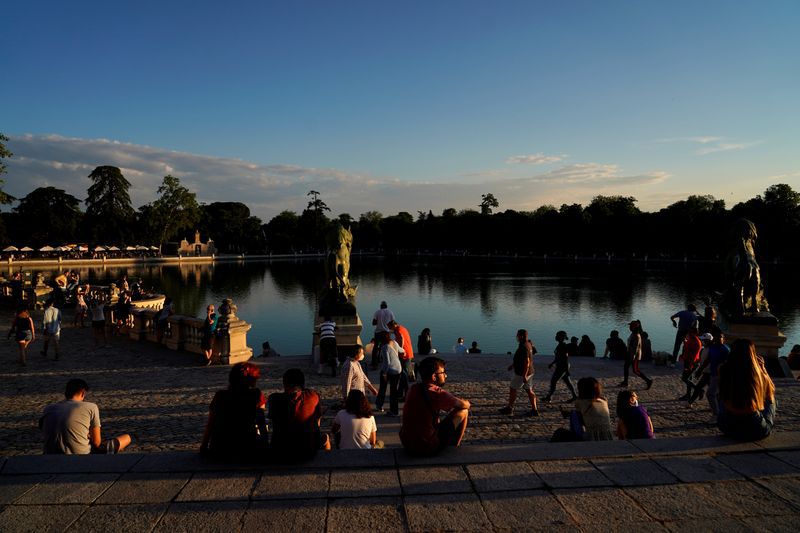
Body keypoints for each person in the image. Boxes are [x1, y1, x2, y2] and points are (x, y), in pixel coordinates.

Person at [400, 356, 470, 456]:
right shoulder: (437, 392)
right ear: (434, 376)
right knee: (463, 411)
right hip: (427, 446)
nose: (445, 375)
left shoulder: (413, 388)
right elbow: (464, 405)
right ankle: (455, 446)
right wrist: (466, 402)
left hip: (407, 445)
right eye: (442, 373)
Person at [40, 378, 131, 454]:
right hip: (82, 454)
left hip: (50, 453)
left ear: (66, 393)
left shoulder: (48, 408)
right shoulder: (91, 407)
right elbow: (97, 442)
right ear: (83, 393)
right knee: (127, 438)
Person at [200, 362, 268, 459]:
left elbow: (210, 424)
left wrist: (204, 446)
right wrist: (265, 446)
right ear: (252, 379)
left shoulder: (220, 396)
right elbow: (261, 423)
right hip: (247, 447)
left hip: (220, 448)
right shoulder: (256, 395)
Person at [717, 339, 776, 441]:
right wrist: (763, 369)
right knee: (772, 399)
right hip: (755, 429)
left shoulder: (723, 369)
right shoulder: (757, 373)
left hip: (726, 427)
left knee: (723, 396)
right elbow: (771, 391)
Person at [268, 368, 329, 461]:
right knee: (325, 438)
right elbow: (318, 419)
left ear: (284, 384)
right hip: (308, 451)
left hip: (280, 450)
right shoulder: (313, 396)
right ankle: (326, 461)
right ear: (303, 383)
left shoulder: (274, 399)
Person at [499, 329, 539, 416]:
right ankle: (534, 410)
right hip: (530, 372)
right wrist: (513, 365)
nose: (516, 337)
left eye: (517, 335)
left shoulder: (523, 347)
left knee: (513, 389)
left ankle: (510, 408)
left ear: (521, 336)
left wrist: (524, 375)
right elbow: (523, 358)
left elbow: (526, 362)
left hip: (521, 373)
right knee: (529, 390)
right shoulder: (528, 343)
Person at [543, 331, 578, 403]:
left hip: (562, 367)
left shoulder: (563, 346)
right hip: (561, 366)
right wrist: (552, 363)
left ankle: (548, 397)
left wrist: (566, 370)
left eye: (557, 336)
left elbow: (565, 358)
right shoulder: (560, 345)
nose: (556, 337)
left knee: (553, 381)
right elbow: (558, 357)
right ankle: (575, 396)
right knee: (568, 382)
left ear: (561, 337)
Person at [619, 320, 654, 389]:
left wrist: (631, 357)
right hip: (630, 354)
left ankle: (648, 381)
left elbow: (635, 348)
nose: (629, 327)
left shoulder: (636, 336)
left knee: (635, 370)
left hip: (634, 356)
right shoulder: (634, 333)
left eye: (631, 326)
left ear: (634, 327)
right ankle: (625, 382)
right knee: (626, 367)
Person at [376, 333, 403, 416]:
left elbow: (387, 363)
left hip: (390, 370)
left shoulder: (385, 347)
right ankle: (394, 411)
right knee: (394, 391)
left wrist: (384, 373)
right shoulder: (394, 342)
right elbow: (402, 350)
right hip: (398, 369)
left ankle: (379, 406)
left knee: (383, 388)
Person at [389, 320, 415, 400]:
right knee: (403, 374)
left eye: (390, 328)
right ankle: (400, 393)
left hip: (404, 354)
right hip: (409, 352)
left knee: (404, 375)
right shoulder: (402, 328)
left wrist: (399, 349)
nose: (390, 329)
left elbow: (401, 338)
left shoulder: (398, 330)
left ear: (393, 326)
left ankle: (407, 394)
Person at [687, 332, 715, 407]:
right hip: (706, 372)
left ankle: (690, 402)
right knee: (707, 389)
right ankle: (690, 402)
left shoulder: (711, 350)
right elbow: (701, 361)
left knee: (702, 388)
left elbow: (707, 361)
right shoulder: (703, 349)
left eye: (704, 340)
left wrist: (700, 370)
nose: (703, 342)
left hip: (710, 373)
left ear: (709, 341)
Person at [678, 327, 702, 401]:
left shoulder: (696, 342)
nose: (689, 333)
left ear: (695, 333)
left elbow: (694, 355)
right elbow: (688, 348)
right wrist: (685, 342)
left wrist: (690, 365)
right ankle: (688, 395)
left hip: (691, 363)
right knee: (689, 378)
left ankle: (699, 391)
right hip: (688, 362)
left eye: (691, 332)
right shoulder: (691, 340)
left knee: (684, 378)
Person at [371, 301, 395, 368]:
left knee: (375, 348)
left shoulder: (377, 312)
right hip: (386, 333)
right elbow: (392, 322)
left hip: (378, 332)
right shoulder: (390, 312)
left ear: (380, 306)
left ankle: (374, 363)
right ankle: (387, 362)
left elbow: (373, 323)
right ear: (386, 306)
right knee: (387, 348)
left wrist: (379, 322)